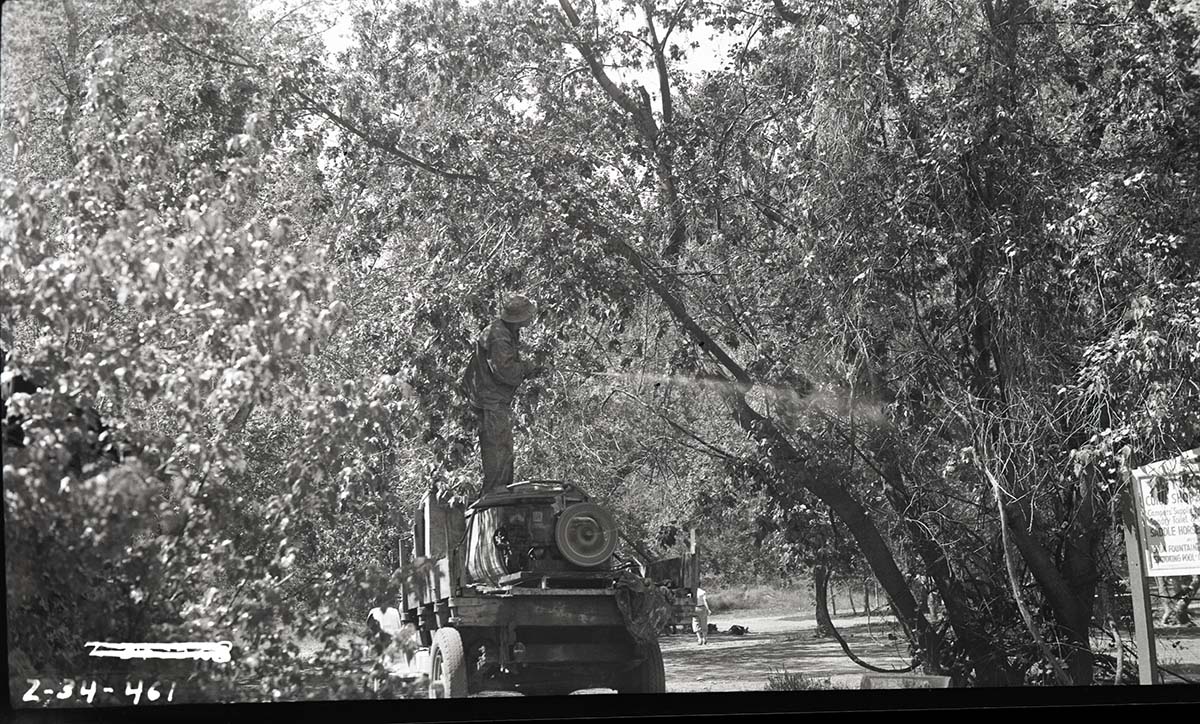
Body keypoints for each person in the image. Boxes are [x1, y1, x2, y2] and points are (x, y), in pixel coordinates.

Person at [461, 294, 542, 496]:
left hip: (490, 398)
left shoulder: (506, 331)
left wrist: (530, 368)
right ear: (518, 317)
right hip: (490, 401)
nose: (530, 319)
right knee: (499, 451)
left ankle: (498, 494)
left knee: (500, 450)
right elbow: (505, 371)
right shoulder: (499, 336)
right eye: (527, 315)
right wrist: (527, 367)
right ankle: (495, 498)